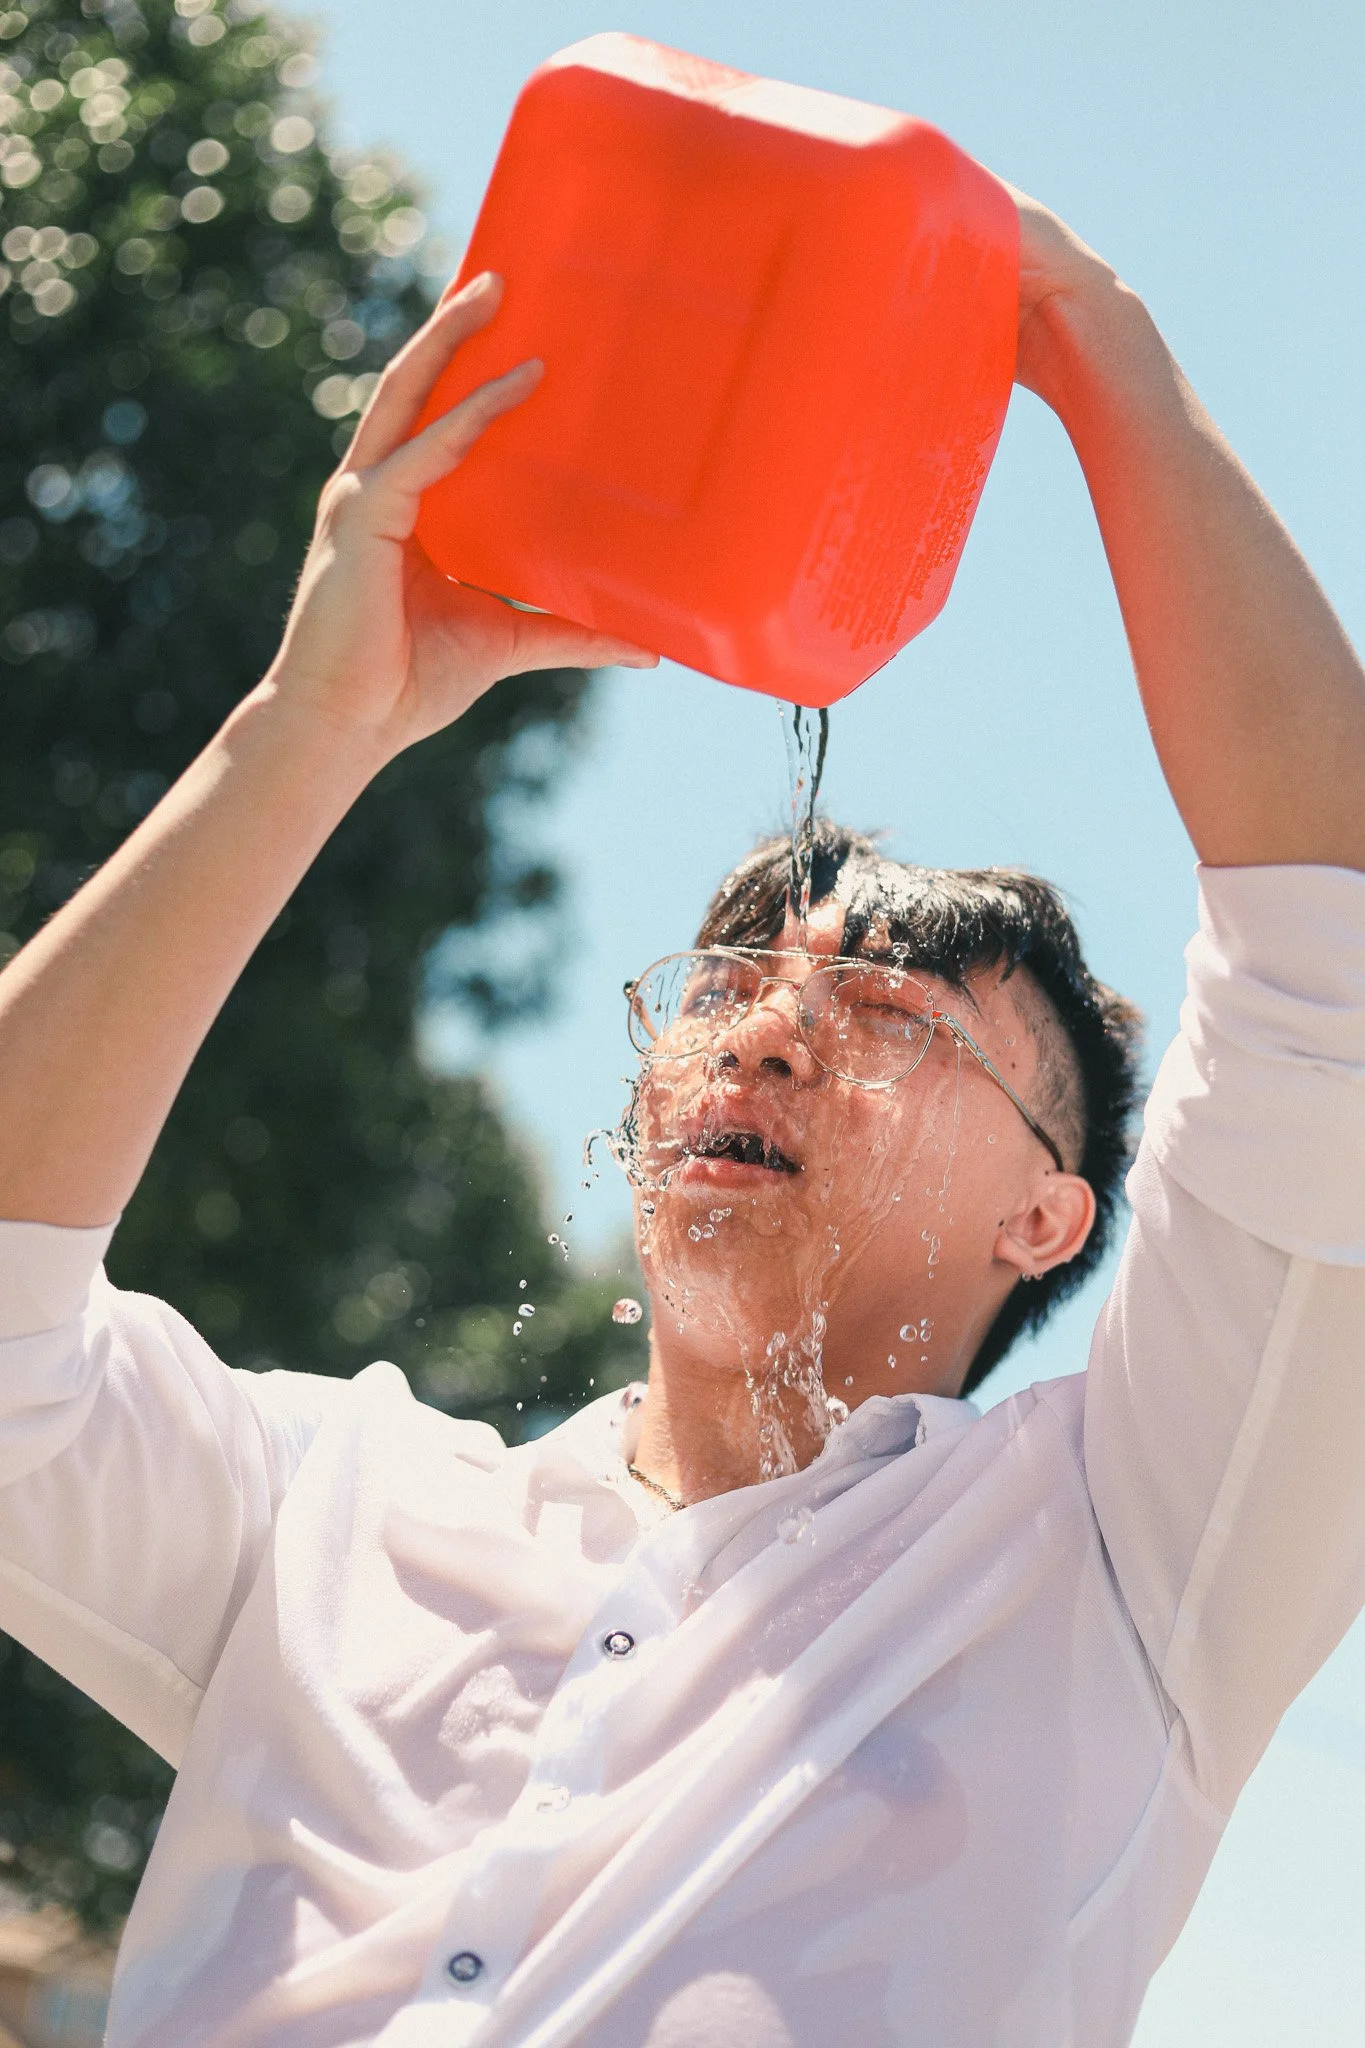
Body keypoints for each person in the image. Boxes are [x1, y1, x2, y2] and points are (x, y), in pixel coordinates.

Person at [0, 186, 1361, 2048]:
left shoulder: (1127, 1567)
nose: (764, 1039)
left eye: (887, 1012)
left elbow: (1331, 960)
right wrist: (307, 727)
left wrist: (1088, 335)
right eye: (719, 991)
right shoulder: (329, 1513)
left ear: (1049, 1217)